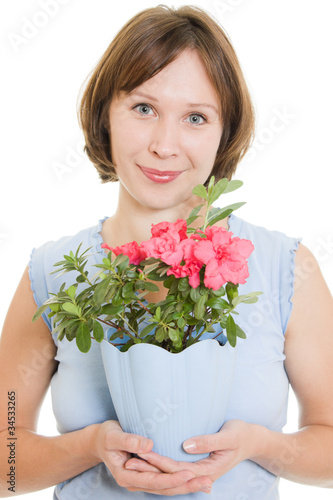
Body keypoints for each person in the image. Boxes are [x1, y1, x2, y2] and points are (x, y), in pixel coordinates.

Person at [0, 5, 332, 499]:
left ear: (223, 134)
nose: (164, 145)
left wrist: (256, 445)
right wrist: (92, 447)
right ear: (104, 116)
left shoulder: (284, 267)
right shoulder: (49, 275)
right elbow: (5, 460)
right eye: (143, 108)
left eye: (196, 117)